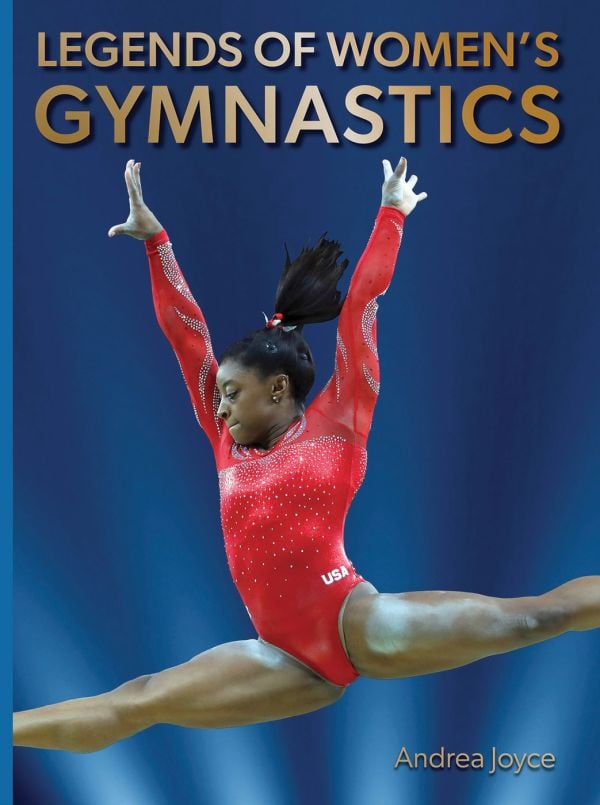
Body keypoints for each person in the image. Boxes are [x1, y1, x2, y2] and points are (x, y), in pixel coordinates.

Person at [13, 158, 600, 754]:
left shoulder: (338, 420)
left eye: (231, 393)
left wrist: (392, 212)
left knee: (533, 618)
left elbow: (361, 305)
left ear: (278, 390)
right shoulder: (226, 441)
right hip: (283, 663)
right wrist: (156, 243)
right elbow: (186, 334)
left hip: (354, 624)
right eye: (217, 395)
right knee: (138, 701)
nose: (218, 407)